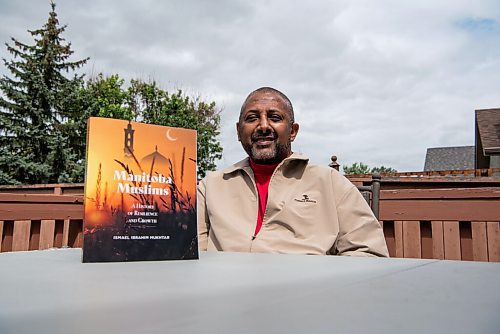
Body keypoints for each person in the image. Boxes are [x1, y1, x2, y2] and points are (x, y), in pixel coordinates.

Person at [197, 87, 389, 257]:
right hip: (226, 291)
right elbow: (190, 252)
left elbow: (369, 252)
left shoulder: (329, 182)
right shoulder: (210, 187)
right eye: (252, 118)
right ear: (239, 132)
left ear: (293, 131)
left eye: (274, 118)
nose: (263, 126)